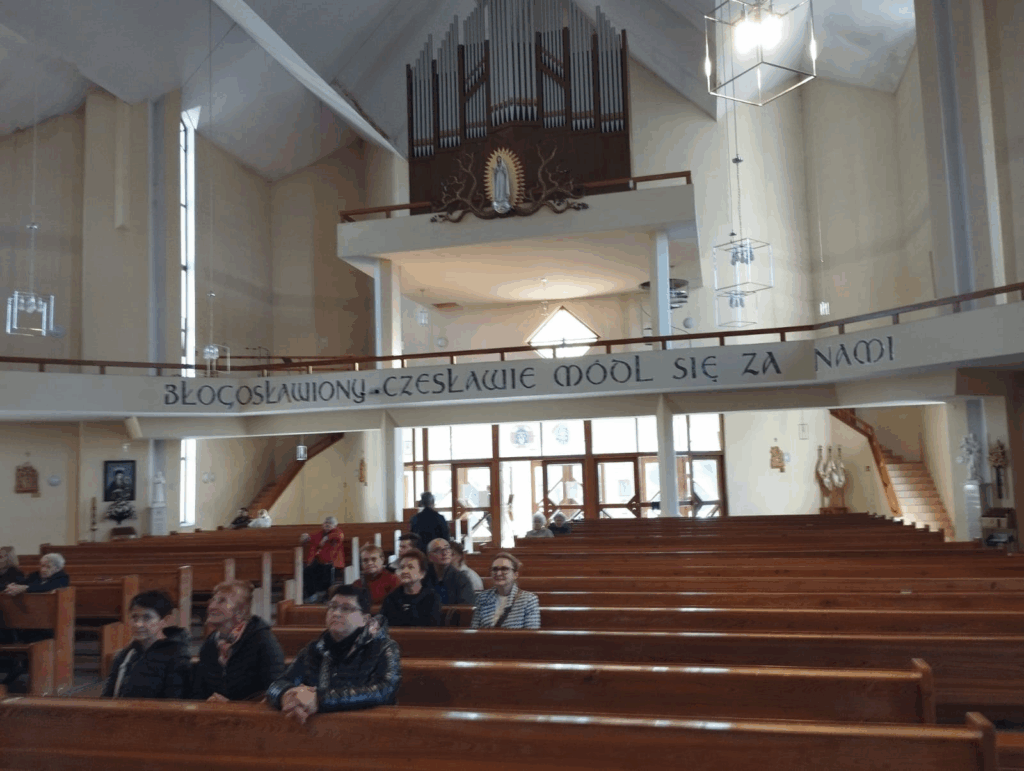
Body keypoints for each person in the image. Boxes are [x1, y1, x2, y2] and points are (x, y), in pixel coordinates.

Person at [267, 584, 400, 722]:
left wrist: (319, 699)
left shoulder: (384, 647)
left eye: (346, 608)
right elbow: (278, 684)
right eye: (332, 606)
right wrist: (286, 696)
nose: (336, 613)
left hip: (367, 726)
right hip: (318, 729)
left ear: (364, 619)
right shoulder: (314, 649)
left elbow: (384, 690)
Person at [193, 579, 285, 701]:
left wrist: (232, 706)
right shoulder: (210, 644)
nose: (211, 606)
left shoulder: (263, 641)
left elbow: (275, 691)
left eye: (221, 601)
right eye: (212, 600)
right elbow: (199, 692)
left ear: (241, 612)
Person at [102, 590, 190, 699]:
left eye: (147, 618)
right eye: (134, 617)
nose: (138, 624)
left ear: (165, 620)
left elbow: (174, 699)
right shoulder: (126, 654)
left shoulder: (176, 654)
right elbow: (107, 695)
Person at [471, 552, 540, 629]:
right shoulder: (482, 598)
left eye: (504, 569)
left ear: (515, 575)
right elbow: (475, 629)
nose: (498, 573)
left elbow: (531, 632)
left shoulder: (529, 600)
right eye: (495, 569)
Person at [379, 549, 441, 627]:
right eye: (402, 567)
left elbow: (432, 627)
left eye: (410, 567)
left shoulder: (432, 597)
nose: (404, 571)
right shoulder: (391, 598)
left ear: (422, 574)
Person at [300, 517, 345, 602]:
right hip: (319, 561)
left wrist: (327, 537)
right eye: (326, 523)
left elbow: (339, 536)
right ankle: (311, 594)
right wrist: (306, 536)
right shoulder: (320, 533)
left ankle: (326, 597)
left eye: (330, 524)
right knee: (307, 571)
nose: (327, 525)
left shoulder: (337, 532)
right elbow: (312, 538)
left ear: (335, 526)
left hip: (332, 562)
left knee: (326, 572)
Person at [424, 538, 474, 605]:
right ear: (429, 556)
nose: (444, 553)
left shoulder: (462, 579)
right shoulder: (423, 577)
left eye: (447, 549)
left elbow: (465, 608)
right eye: (438, 550)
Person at [3, 553, 70, 596]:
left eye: (48, 567)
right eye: (42, 566)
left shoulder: (63, 578)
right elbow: (24, 582)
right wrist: (12, 586)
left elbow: (47, 587)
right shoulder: (35, 575)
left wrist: (25, 588)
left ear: (58, 568)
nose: (43, 569)